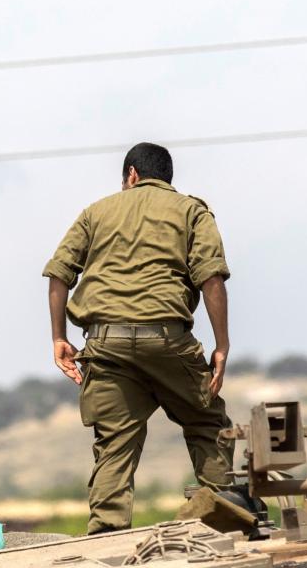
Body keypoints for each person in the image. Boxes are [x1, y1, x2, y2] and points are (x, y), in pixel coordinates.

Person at [43, 142, 236, 534]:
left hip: (106, 344)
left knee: (114, 443)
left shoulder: (95, 212)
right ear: (165, 177)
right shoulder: (191, 211)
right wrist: (221, 344)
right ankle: (223, 523)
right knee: (206, 423)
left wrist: (59, 337)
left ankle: (107, 539)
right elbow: (211, 277)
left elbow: (59, 274)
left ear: (131, 175)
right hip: (167, 340)